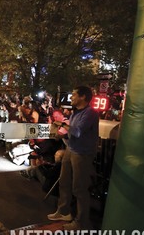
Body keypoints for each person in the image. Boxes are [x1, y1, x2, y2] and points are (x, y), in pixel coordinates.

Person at [47, 86, 99, 230]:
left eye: (74, 95)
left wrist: (62, 124)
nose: (71, 97)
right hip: (71, 149)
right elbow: (71, 133)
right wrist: (62, 133)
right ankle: (64, 212)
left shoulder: (90, 113)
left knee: (79, 188)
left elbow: (77, 132)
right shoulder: (76, 112)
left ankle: (81, 222)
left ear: (83, 97)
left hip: (82, 153)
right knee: (64, 181)